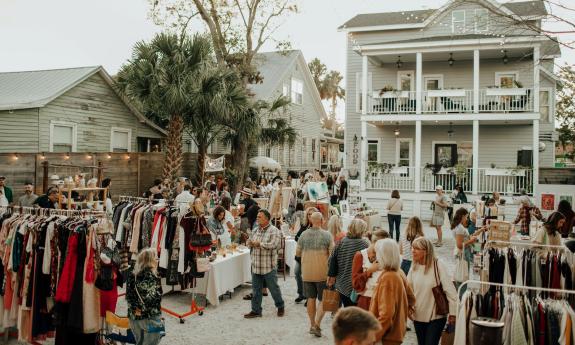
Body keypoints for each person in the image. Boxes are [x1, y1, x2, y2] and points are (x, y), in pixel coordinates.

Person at [407, 237, 458, 345]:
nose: (413, 250)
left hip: (436, 316)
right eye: (412, 248)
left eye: (416, 248)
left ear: (426, 251)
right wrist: (408, 306)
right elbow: (408, 290)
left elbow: (450, 290)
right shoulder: (414, 266)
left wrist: (453, 313)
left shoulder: (438, 265)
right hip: (418, 315)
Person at [369, 239, 415, 345]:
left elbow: (386, 315)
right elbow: (411, 298)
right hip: (395, 333)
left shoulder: (388, 277)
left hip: (386, 337)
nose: (377, 257)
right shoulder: (399, 271)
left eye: (378, 254)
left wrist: (372, 337)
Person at [296, 212, 334, 337]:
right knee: (323, 300)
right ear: (322, 220)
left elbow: (298, 254)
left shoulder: (303, 235)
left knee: (310, 299)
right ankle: (317, 324)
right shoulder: (327, 235)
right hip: (322, 273)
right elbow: (332, 256)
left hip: (307, 273)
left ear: (311, 221)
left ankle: (312, 324)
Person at [244, 209, 285, 318]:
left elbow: (275, 245)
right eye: (257, 216)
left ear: (267, 219)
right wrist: (249, 243)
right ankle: (256, 310)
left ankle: (280, 306)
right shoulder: (256, 230)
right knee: (256, 290)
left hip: (268, 266)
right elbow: (250, 242)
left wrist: (259, 244)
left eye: (259, 217)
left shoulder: (274, 231)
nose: (257, 218)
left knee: (273, 289)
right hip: (256, 265)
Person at [328, 219, 369, 307]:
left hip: (341, 283)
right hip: (357, 283)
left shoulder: (342, 242)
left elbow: (331, 260)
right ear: (361, 230)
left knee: (347, 309)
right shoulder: (364, 244)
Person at [126, 248, 163, 345]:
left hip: (134, 317)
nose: (157, 260)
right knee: (152, 341)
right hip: (150, 318)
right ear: (150, 260)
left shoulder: (132, 275)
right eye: (156, 258)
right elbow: (155, 300)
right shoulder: (153, 277)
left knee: (140, 341)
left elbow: (128, 297)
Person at [351, 230, 389, 310]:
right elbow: (355, 283)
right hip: (366, 301)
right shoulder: (360, 255)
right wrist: (369, 271)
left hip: (382, 300)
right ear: (374, 243)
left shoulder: (386, 256)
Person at [294, 207, 319, 304]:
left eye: (312, 214)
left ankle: (309, 297)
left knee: (308, 277)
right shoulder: (304, 225)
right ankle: (301, 294)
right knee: (297, 272)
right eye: (309, 214)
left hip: (311, 256)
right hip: (300, 255)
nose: (310, 216)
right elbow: (297, 237)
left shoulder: (318, 227)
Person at [451, 208, 478, 291]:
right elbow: (459, 245)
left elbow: (466, 238)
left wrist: (479, 231)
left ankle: (460, 293)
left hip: (464, 252)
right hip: (463, 253)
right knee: (463, 275)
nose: (467, 219)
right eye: (466, 217)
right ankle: (461, 295)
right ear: (462, 216)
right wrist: (471, 241)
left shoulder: (460, 227)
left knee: (462, 273)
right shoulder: (460, 228)